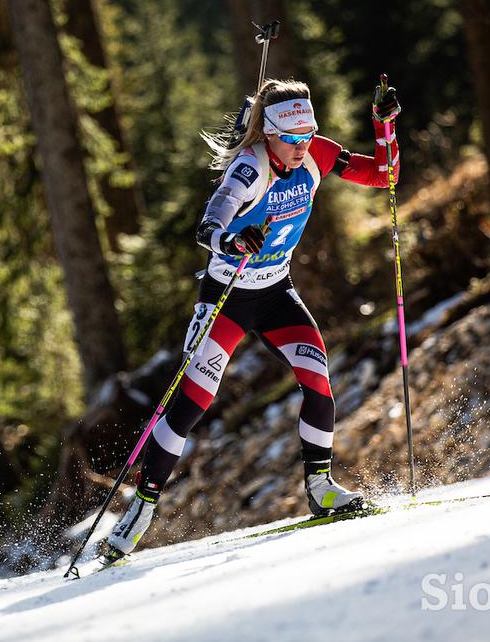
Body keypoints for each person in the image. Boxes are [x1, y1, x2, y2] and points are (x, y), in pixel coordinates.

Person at [103, 78, 402, 562]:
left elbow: (384, 176)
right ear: (268, 135)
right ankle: (142, 506)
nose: (301, 148)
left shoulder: (317, 154)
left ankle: (321, 487)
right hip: (227, 295)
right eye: (292, 140)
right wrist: (230, 240)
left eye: (308, 137)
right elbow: (211, 221)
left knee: (318, 381)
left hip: (276, 292)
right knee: (194, 401)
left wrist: (385, 126)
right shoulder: (250, 166)